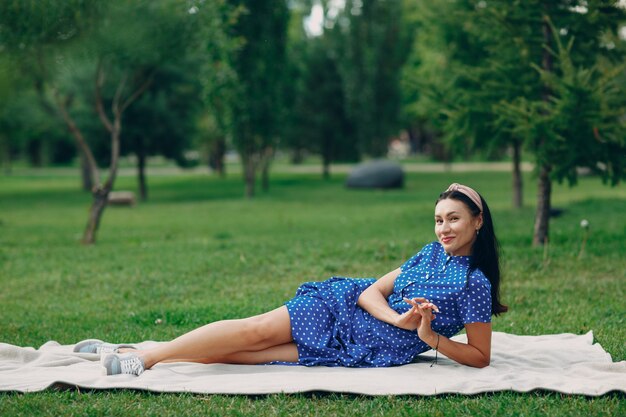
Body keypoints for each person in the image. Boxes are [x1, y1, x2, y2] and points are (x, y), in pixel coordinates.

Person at [75, 183, 507, 375]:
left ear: (478, 221)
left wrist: (428, 335)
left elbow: (479, 357)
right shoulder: (429, 253)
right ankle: (144, 361)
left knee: (247, 356)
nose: (443, 228)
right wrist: (398, 320)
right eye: (438, 219)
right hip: (340, 310)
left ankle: (137, 349)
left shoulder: (474, 284)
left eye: (453, 219)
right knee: (255, 331)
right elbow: (371, 291)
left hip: (370, 348)